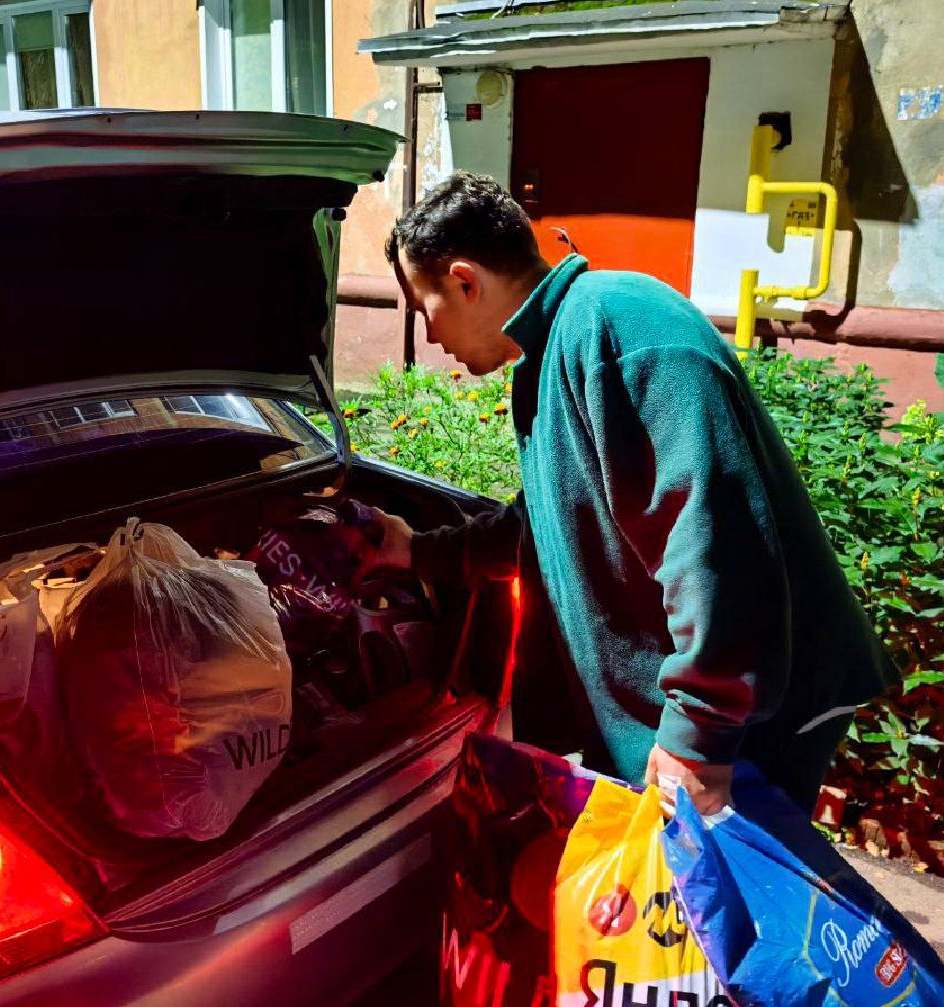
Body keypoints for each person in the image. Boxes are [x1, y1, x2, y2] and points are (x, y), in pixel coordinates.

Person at [369, 172, 897, 817]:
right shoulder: (547, 357)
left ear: (464, 281)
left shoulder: (619, 324)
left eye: (426, 309)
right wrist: (413, 552)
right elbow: (546, 531)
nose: (430, 338)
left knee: (731, 910)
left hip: (755, 722)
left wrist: (698, 737)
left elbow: (713, 540)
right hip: (712, 715)